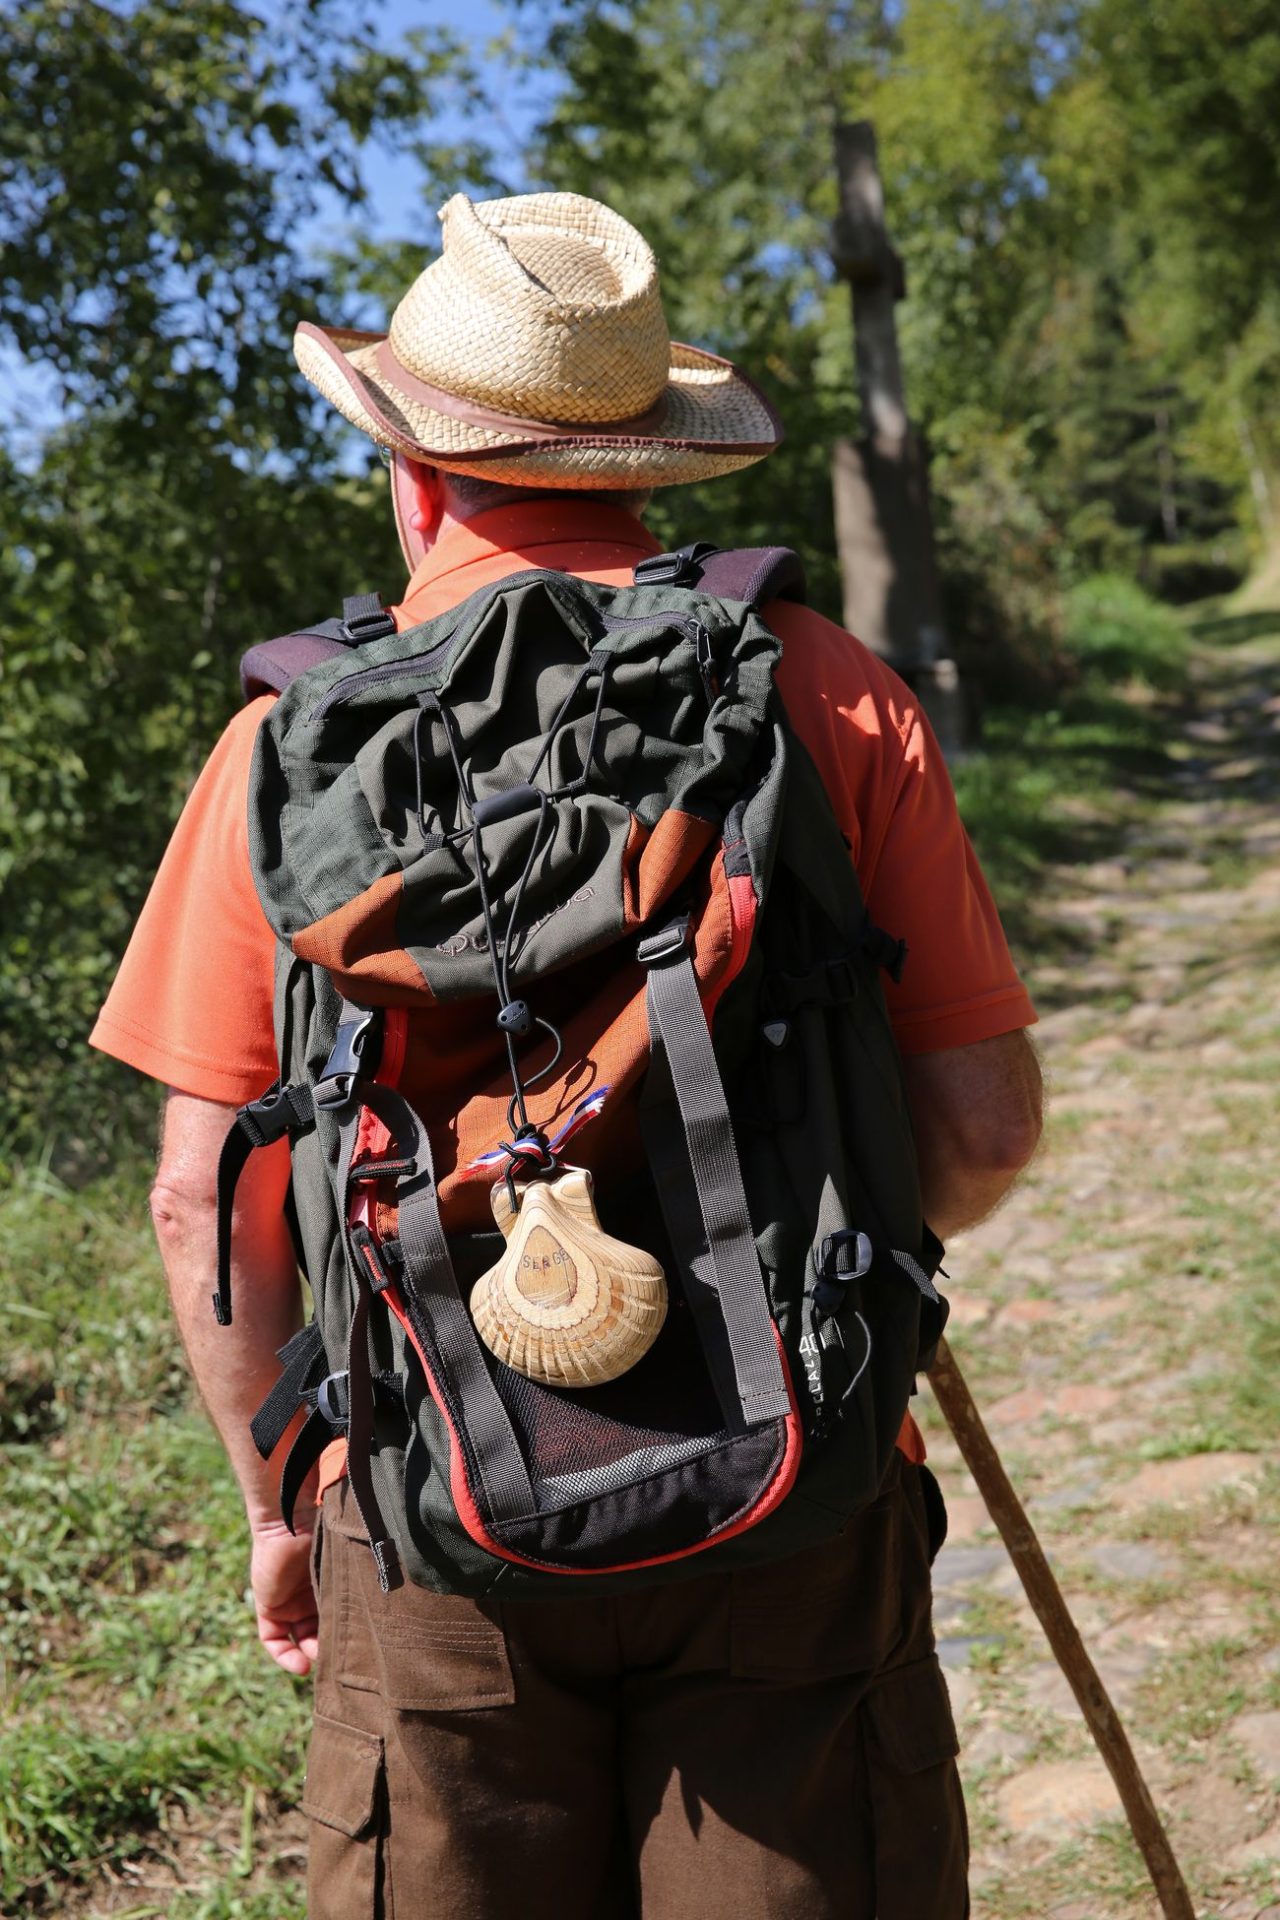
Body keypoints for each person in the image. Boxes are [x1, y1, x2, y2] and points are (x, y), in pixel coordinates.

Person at [92, 190, 1042, 1919]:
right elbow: (976, 1123)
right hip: (801, 1475)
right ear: (644, 466)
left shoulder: (278, 758)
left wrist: (281, 1504)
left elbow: (194, 1203)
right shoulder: (823, 690)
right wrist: (822, 1246)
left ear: (419, 468)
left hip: (424, 1490)